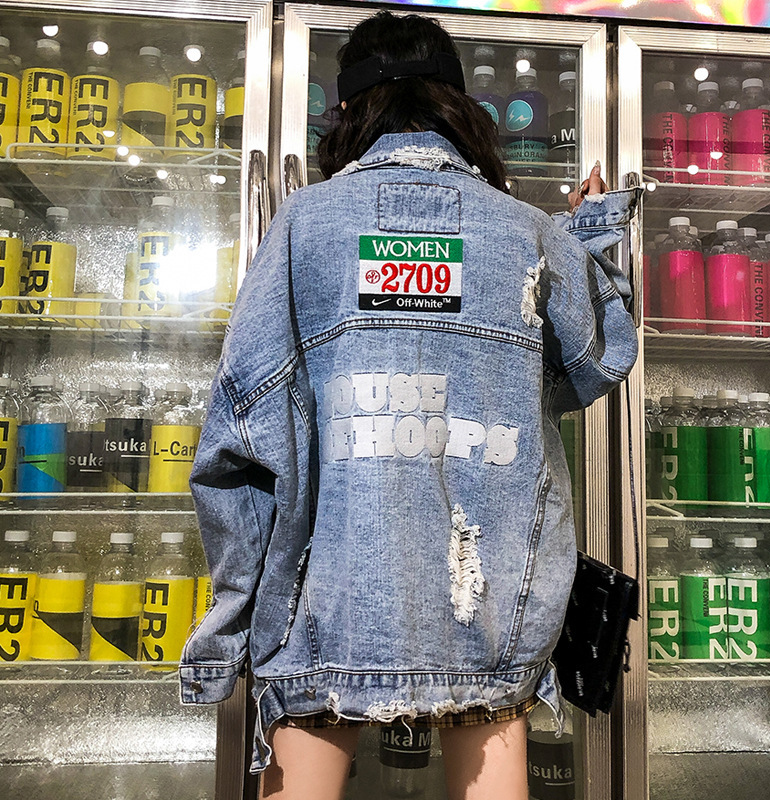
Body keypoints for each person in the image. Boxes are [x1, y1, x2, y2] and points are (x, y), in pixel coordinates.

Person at [179, 11, 639, 800]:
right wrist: (588, 238)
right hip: (488, 606)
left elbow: (241, 436)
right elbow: (595, 362)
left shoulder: (302, 226)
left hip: (326, 606)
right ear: (458, 106)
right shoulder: (526, 234)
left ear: (349, 110)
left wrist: (234, 622)